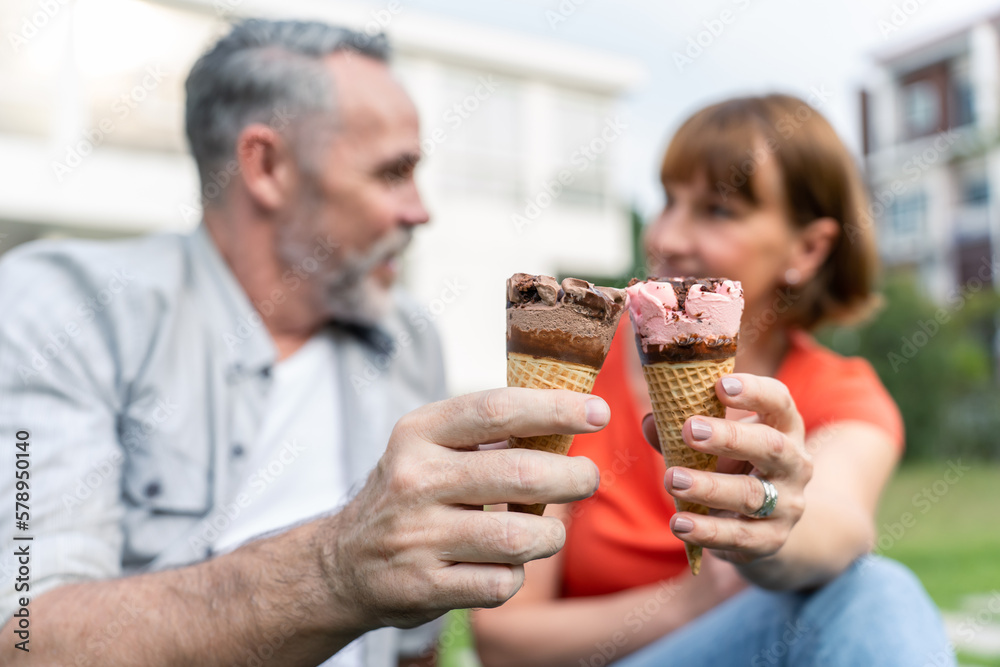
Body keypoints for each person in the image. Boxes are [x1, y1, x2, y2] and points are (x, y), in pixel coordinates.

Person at [0, 20, 606, 666]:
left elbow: (413, 650)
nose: (419, 210)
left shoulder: (407, 337)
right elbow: (27, 640)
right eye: (392, 172)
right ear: (267, 166)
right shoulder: (63, 308)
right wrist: (335, 569)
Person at [473, 94, 954, 666]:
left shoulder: (841, 392)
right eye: (669, 201)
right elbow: (504, 641)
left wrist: (767, 528)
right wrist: (690, 602)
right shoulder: (576, 375)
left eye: (717, 210)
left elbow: (838, 526)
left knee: (875, 588)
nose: (668, 238)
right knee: (878, 594)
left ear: (809, 247)